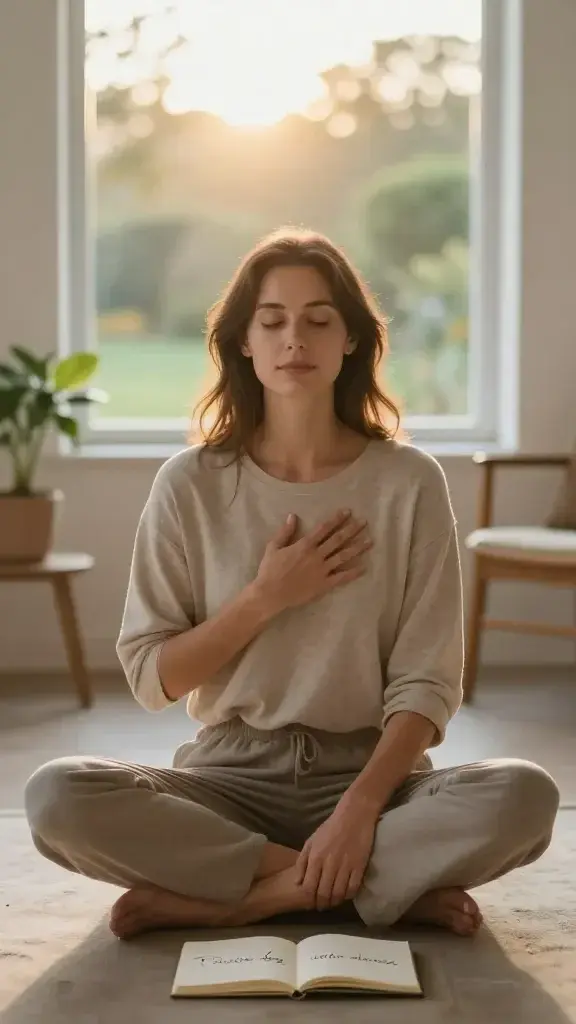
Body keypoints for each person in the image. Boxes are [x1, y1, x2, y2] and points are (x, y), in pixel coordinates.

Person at [24, 228, 559, 942]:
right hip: (228, 778)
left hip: (372, 776)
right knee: (57, 795)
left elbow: (428, 685)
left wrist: (359, 812)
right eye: (272, 320)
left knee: (525, 795)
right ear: (244, 341)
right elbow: (153, 677)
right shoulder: (189, 484)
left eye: (318, 319)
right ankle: (362, 890)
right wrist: (264, 598)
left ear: (351, 341)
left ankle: (248, 897)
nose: (294, 339)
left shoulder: (409, 483)